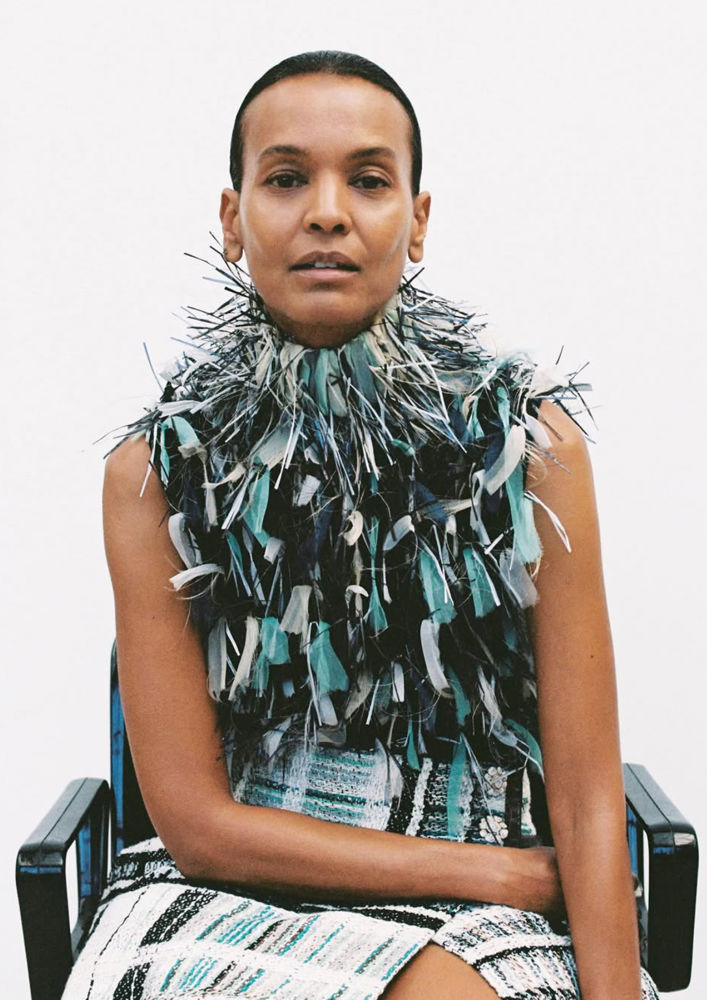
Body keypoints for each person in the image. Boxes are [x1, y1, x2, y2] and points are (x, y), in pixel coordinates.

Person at [61, 50, 660, 1000]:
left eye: (369, 181)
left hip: (491, 885)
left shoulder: (528, 448)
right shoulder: (154, 475)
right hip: (234, 881)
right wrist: (497, 876)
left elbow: (588, 802)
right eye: (286, 179)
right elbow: (198, 828)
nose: (327, 212)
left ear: (416, 222)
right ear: (232, 219)